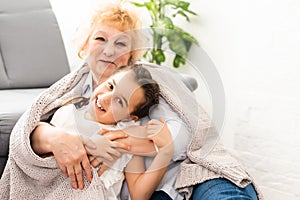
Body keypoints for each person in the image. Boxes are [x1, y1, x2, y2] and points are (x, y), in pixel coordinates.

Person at [0, 2, 262, 200]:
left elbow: (189, 135)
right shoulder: (71, 98)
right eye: (101, 39)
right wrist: (68, 140)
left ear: (132, 55)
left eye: (121, 44)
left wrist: (137, 142)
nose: (109, 49)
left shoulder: (148, 86)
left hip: (185, 174)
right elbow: (32, 128)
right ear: (85, 44)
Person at [50, 64, 174, 199]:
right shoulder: (67, 114)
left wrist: (165, 153)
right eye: (110, 86)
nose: (106, 98)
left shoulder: (126, 144)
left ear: (129, 117)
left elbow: (139, 195)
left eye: (120, 101)